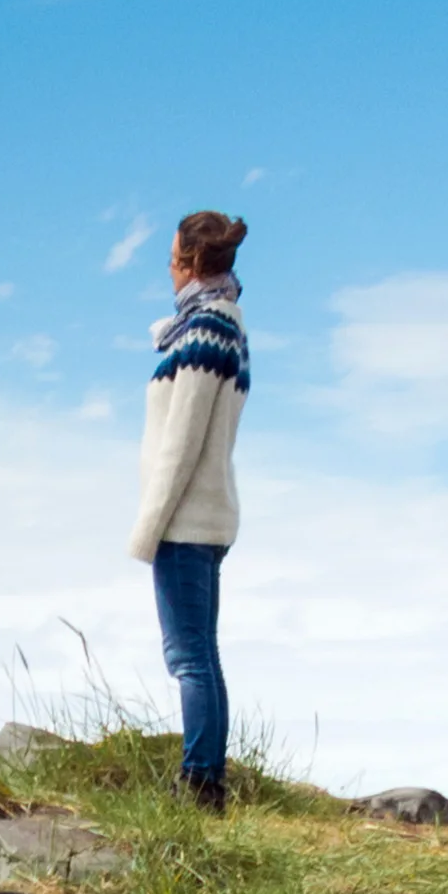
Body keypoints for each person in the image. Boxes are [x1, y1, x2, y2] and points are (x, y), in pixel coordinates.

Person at [129, 210, 250, 811]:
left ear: (190, 261)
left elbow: (181, 443)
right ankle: (204, 777)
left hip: (187, 518)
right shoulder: (219, 324)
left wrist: (148, 529)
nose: (166, 263)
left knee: (189, 657)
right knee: (200, 650)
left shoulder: (204, 330)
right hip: (206, 514)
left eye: (172, 252)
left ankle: (201, 783)